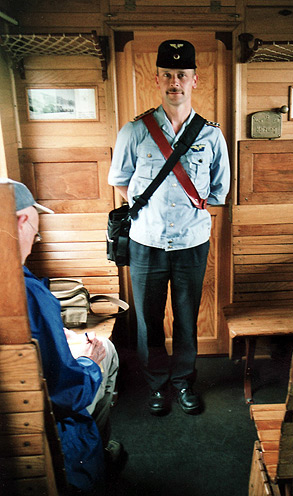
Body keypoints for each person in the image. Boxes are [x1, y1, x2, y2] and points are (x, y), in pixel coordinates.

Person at [108, 40, 230, 416]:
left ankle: (183, 383)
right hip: (146, 242)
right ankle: (157, 385)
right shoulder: (135, 132)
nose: (175, 82)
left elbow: (220, 191)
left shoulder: (211, 135)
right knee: (147, 320)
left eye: (182, 75)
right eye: (168, 75)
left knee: (187, 317)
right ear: (157, 79)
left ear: (195, 80)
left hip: (192, 242)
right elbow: (120, 180)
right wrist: (149, 210)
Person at [4, 178, 125, 494]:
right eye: (36, 231)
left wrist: (57, 334)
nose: (36, 239)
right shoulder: (26, 293)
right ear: (21, 221)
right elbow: (67, 393)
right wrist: (89, 363)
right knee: (105, 353)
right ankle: (94, 453)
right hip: (32, 424)